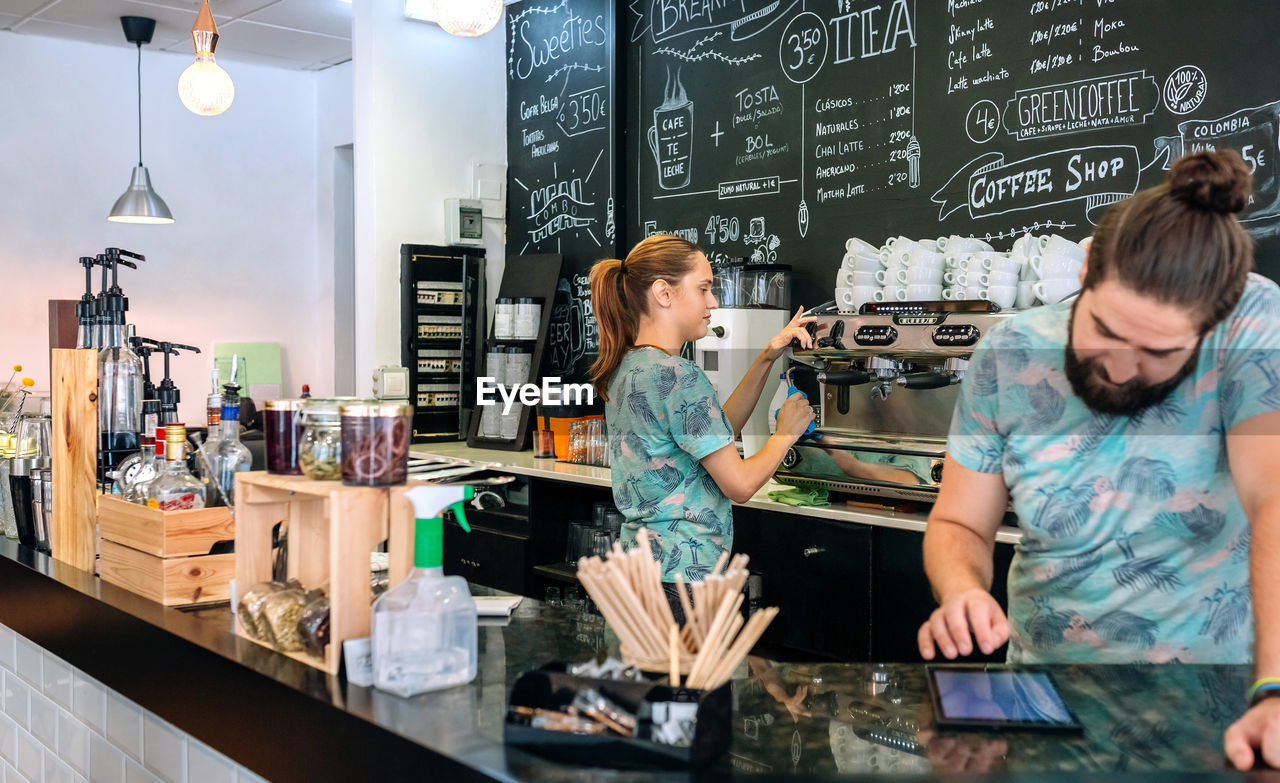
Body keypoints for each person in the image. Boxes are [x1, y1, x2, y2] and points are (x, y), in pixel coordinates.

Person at [912, 150, 1280, 767]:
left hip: (1217, 708)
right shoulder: (1008, 354)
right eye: (1105, 330)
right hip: (1044, 704)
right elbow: (959, 524)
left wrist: (1275, 686)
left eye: (1158, 351)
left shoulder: (1252, 323)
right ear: (1086, 269)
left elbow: (1272, 497)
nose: (1120, 367)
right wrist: (961, 592)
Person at [589, 234, 816, 622]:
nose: (713, 303)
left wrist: (766, 357)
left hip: (638, 574)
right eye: (704, 289)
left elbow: (713, 429)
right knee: (696, 684)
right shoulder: (679, 375)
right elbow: (740, 485)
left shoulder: (628, 367)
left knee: (649, 683)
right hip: (684, 580)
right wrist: (786, 434)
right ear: (664, 292)